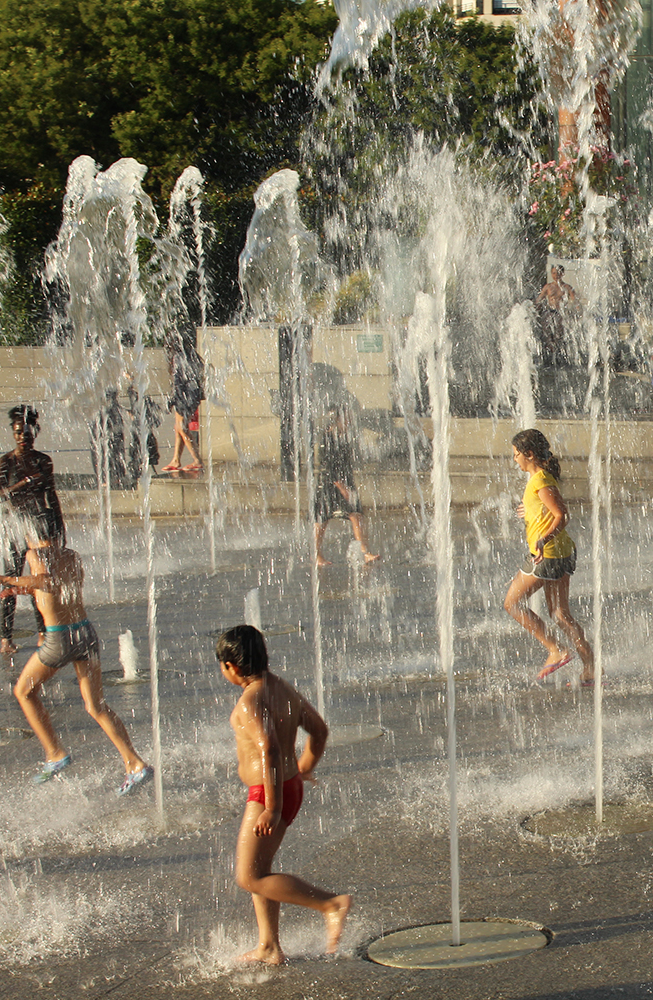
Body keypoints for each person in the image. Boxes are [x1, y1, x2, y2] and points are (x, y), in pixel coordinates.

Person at [217, 624, 352, 964]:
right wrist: (304, 768)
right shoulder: (281, 687)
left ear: (231, 666)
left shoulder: (250, 701)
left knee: (249, 876)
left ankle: (330, 904)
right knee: (261, 870)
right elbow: (319, 730)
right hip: (287, 786)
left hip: (268, 794)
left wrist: (272, 808)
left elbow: (270, 750)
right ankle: (269, 946)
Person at [0, 532, 152, 792]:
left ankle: (55, 754)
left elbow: (47, 581)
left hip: (59, 638)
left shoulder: (35, 554)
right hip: (85, 632)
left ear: (32, 531)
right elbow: (60, 586)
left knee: (24, 692)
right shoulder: (71, 555)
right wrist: (22, 589)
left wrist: (6, 579)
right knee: (96, 706)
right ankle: (135, 764)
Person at [502, 428, 596, 685]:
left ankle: (555, 649)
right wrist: (530, 511)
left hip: (548, 554)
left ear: (529, 454)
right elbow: (547, 509)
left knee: (512, 603)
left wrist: (543, 540)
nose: (515, 459)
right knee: (560, 614)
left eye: (516, 454)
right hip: (561, 552)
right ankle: (590, 669)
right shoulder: (541, 479)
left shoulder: (540, 480)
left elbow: (561, 515)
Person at [0, 405, 65, 660]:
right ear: (13, 434)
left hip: (39, 524)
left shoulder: (43, 461)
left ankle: (43, 633)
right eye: (18, 432)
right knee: (11, 580)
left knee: (39, 580)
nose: (23, 437)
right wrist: (24, 482)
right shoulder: (6, 461)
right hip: (14, 525)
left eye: (27, 433)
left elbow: (51, 495)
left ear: (35, 432)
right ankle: (6, 637)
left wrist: (59, 525)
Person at [313, 404, 379, 566]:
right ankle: (316, 555)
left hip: (344, 481)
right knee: (322, 520)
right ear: (337, 419)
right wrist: (342, 487)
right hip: (329, 484)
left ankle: (365, 552)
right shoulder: (328, 438)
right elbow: (328, 465)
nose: (349, 420)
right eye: (346, 418)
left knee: (356, 515)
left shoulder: (343, 436)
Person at [164, 341, 204, 473]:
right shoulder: (192, 356)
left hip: (183, 397)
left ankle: (197, 460)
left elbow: (178, 382)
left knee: (181, 427)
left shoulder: (179, 357)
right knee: (178, 427)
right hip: (191, 396)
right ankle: (176, 460)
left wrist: (171, 400)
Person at [534, 265, 577, 364]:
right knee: (547, 333)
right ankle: (548, 354)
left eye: (558, 273)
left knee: (558, 334)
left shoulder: (567, 287)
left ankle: (558, 354)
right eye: (553, 273)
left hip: (560, 312)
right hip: (550, 311)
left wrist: (575, 310)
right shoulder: (548, 287)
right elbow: (539, 299)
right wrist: (535, 308)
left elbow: (575, 300)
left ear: (562, 274)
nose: (556, 275)